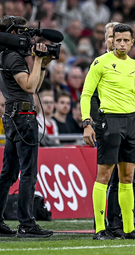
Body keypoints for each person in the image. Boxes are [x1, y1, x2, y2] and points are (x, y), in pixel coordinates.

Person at [80, 23, 135, 240]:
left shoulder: (133, 65)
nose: (121, 43)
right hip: (109, 122)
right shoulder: (100, 63)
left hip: (131, 123)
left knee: (127, 177)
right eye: (117, 39)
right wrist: (87, 123)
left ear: (132, 42)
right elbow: (86, 94)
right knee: (104, 176)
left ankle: (130, 229)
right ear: (111, 40)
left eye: (126, 40)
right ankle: (99, 229)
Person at [0, 15, 53, 238]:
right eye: (22, 32)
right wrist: (38, 61)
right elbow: (30, 87)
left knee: (8, 174)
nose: (26, 37)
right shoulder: (13, 57)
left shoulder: (6, 55)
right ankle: (26, 223)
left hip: (14, 115)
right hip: (22, 116)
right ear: (12, 33)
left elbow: (35, 85)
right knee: (28, 172)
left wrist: (42, 65)